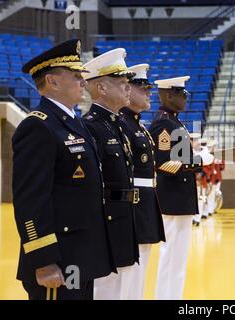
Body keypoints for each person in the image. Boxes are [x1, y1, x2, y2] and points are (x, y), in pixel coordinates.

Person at [13, 39, 114, 300]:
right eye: (76, 75)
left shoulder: (73, 123)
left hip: (81, 254)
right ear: (53, 81)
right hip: (57, 259)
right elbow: (30, 200)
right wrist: (43, 260)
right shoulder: (39, 127)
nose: (83, 81)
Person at [82, 48, 139, 299]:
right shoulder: (91, 126)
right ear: (101, 89)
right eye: (122, 83)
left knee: (117, 289)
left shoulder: (115, 124)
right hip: (105, 223)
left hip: (122, 219)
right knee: (103, 290)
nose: (129, 89)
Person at [149, 76, 213, 299]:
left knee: (179, 258)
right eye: (181, 94)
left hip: (181, 198)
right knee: (170, 257)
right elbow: (164, 164)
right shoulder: (163, 124)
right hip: (172, 199)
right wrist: (198, 161)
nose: (186, 98)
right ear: (167, 95)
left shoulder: (175, 122)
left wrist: (195, 158)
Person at [119, 63, 166, 299]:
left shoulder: (138, 125)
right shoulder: (121, 124)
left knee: (139, 276)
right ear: (127, 90)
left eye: (148, 88)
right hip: (132, 206)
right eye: (143, 88)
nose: (149, 92)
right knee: (128, 278)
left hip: (145, 204)